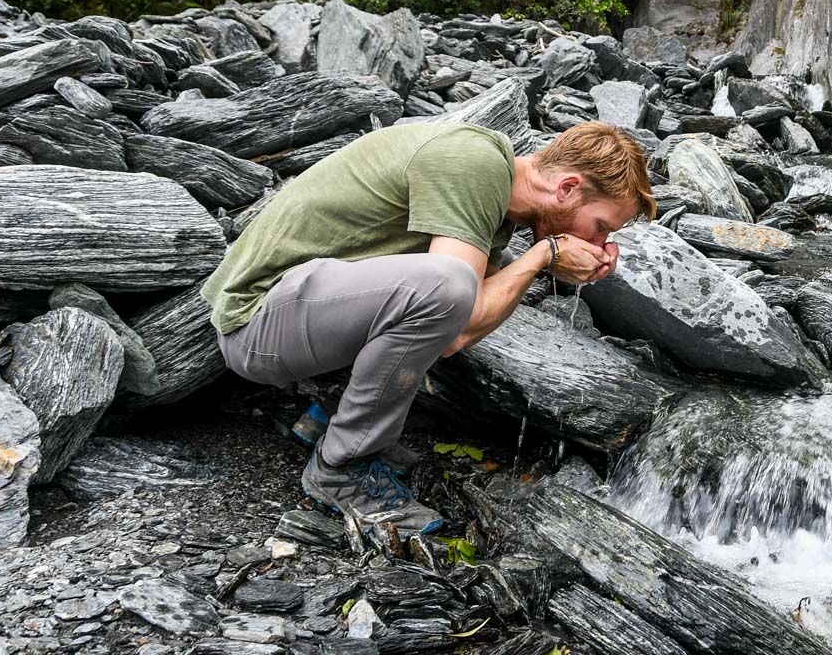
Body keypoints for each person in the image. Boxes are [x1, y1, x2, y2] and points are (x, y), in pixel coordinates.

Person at [200, 119, 656, 532]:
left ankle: (326, 419)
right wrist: (545, 255)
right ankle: (342, 468)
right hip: (254, 327)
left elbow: (448, 339)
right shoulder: (473, 164)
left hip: (294, 314)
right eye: (600, 226)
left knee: (453, 287)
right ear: (567, 188)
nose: (599, 243)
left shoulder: (494, 191)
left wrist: (541, 259)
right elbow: (458, 312)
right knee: (448, 284)